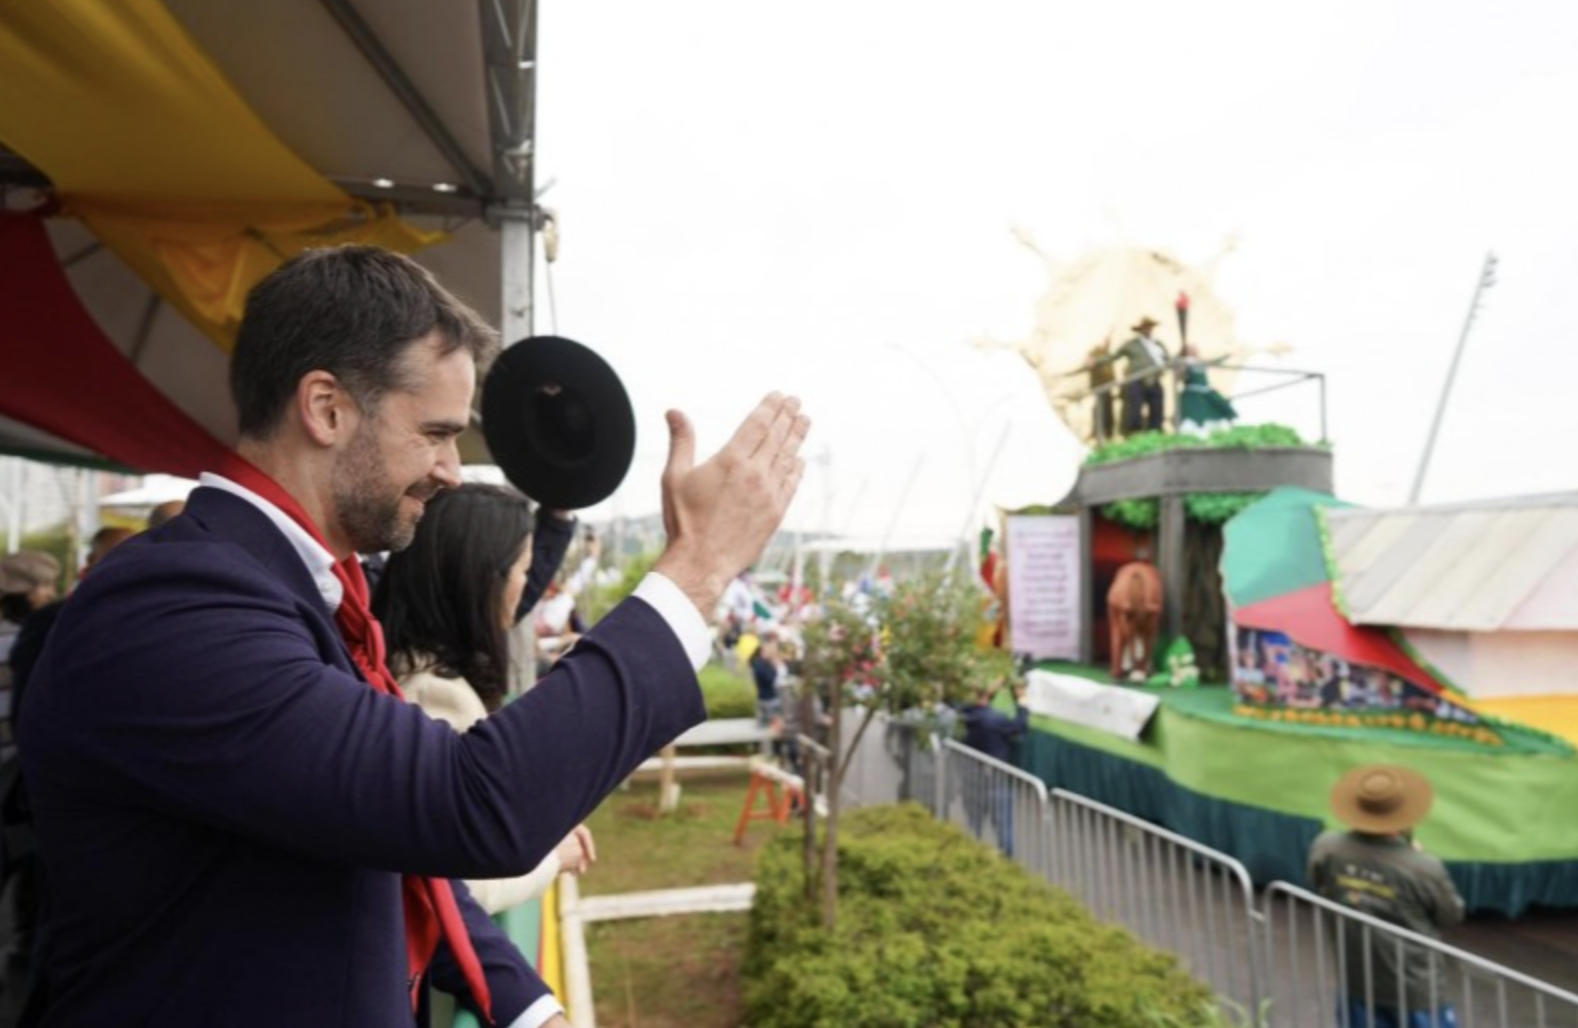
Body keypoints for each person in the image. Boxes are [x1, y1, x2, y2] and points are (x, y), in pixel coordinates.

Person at [18, 244, 810, 1026]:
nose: (452, 470)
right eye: (436, 433)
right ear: (326, 408)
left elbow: (387, 851)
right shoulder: (174, 609)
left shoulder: (296, 594)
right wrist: (698, 569)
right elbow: (468, 802)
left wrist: (527, 1007)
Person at [372, 483, 595, 914]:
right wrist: (552, 859)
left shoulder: (409, 665)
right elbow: (455, 888)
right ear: (482, 579)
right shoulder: (435, 695)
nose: (525, 586)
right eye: (523, 571)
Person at [1308, 765, 1465, 1028]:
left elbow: (1317, 881)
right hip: (1415, 987)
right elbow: (1451, 914)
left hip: (1356, 978)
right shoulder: (1422, 867)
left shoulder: (1327, 847)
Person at [957, 679, 1029, 857]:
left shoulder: (963, 714)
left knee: (974, 826)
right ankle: (1007, 865)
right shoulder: (995, 720)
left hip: (971, 778)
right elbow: (1019, 726)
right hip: (995, 780)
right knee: (1004, 829)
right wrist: (1021, 704)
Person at [1093, 316, 1170, 434]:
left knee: (1157, 410)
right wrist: (1097, 361)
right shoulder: (1132, 344)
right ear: (1140, 329)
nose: (1147, 330)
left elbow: (1168, 360)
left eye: (1149, 327)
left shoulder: (1158, 345)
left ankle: (1156, 433)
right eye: (1145, 327)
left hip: (1154, 380)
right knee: (1135, 411)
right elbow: (1114, 356)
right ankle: (1134, 434)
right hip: (1137, 382)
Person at [1177, 344, 1237, 435]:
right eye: (1192, 350)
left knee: (1221, 405)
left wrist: (1225, 356)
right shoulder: (1184, 362)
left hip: (1205, 391)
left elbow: (1213, 361)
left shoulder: (1200, 361)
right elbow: (1179, 376)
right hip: (1193, 393)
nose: (1195, 351)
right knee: (1194, 415)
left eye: (1195, 349)